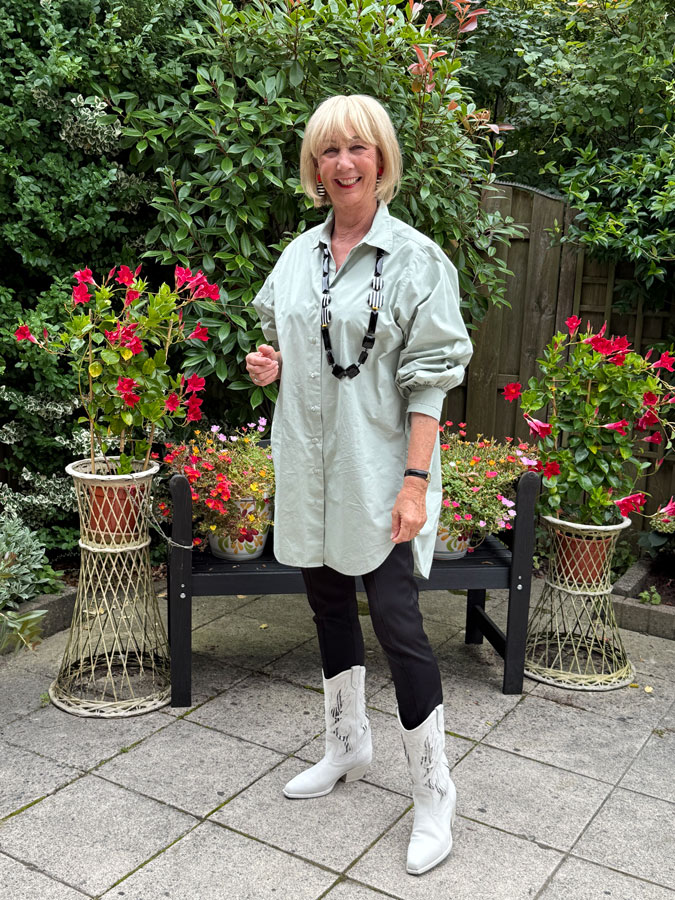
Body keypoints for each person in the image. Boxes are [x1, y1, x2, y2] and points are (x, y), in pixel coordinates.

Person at [245, 94, 473, 876]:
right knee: (327, 606)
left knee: (401, 627)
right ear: (315, 168)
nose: (343, 164)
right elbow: (294, 342)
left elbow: (429, 381)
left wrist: (413, 484)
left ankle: (434, 792)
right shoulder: (297, 257)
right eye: (328, 152)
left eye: (357, 148)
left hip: (378, 475)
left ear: (381, 159)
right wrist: (272, 365)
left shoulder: (415, 260)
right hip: (310, 472)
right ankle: (346, 744)